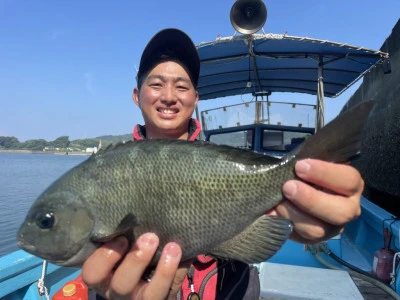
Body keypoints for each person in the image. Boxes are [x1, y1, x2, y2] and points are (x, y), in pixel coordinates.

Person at [82, 28, 364, 299]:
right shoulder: (102, 175)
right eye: (155, 84)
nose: (168, 96)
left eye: (181, 86)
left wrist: (310, 218)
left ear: (195, 98)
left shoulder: (224, 166)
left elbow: (275, 222)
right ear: (136, 95)